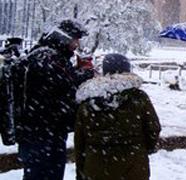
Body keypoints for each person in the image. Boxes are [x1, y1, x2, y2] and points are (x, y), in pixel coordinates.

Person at [13, 19, 94, 180]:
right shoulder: (48, 58)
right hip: (44, 133)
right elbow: (65, 88)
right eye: (75, 39)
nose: (77, 44)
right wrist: (85, 74)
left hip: (41, 131)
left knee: (41, 173)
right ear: (64, 38)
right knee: (45, 174)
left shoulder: (45, 55)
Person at [74, 54, 161, 180]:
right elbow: (153, 128)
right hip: (133, 165)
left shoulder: (88, 101)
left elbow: (80, 141)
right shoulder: (139, 97)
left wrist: (81, 171)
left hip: (97, 165)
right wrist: (142, 148)